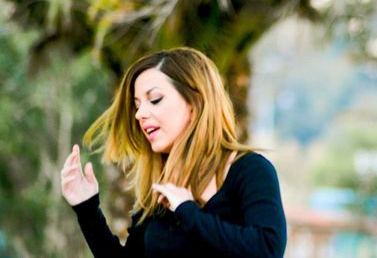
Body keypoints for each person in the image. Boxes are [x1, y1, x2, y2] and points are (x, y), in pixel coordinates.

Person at [60, 47, 286, 258]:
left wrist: (187, 211)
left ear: (194, 102)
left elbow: (267, 248)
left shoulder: (250, 170)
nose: (140, 115)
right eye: (137, 105)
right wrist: (87, 208)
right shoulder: (160, 189)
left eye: (155, 99)